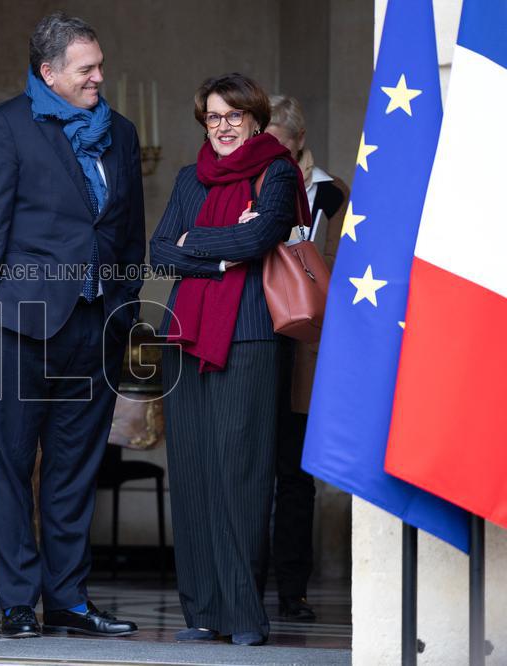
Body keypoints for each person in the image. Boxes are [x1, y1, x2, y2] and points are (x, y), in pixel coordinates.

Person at [0, 11, 144, 639]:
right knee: (11, 464)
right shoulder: (5, 127)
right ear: (49, 73)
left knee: (74, 469)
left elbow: (126, 234)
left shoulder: (119, 132)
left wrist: (123, 306)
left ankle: (67, 600)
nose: (99, 77)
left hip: (95, 326)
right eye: (86, 68)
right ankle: (17, 601)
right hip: (22, 325)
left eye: (100, 65)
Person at [149, 73, 310, 646]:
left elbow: (258, 240)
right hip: (184, 336)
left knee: (241, 475)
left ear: (255, 120)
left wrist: (198, 242)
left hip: (248, 337)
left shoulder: (278, 172)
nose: (221, 127)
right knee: (192, 475)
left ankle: (244, 615)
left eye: (232, 116)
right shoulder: (190, 178)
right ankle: (204, 611)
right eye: (213, 117)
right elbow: (159, 250)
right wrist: (215, 250)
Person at [264, 94, 350, 622]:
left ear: (297, 142)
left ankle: (292, 587)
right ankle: (241, 583)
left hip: (303, 346)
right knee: (252, 469)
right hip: (253, 339)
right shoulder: (245, 183)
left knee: (294, 472)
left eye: (276, 144)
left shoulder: (331, 195)